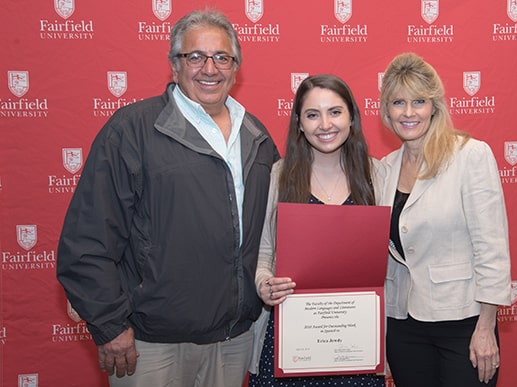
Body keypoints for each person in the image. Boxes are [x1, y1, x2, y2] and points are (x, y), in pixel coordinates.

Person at [56, 9, 279, 387]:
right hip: (150, 343)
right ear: (174, 64)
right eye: (195, 56)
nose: (210, 68)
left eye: (222, 57)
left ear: (236, 67)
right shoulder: (131, 130)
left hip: (234, 338)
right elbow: (87, 239)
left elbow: (276, 234)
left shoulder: (256, 137)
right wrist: (110, 325)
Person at [378, 52, 511, 386]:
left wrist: (486, 327)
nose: (408, 113)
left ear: (434, 106)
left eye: (419, 101)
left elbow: (491, 247)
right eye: (398, 102)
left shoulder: (470, 155)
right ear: (386, 110)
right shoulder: (383, 169)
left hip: (463, 325)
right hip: (403, 326)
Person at [248, 74, 386, 387]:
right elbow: (265, 253)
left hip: (357, 348)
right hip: (290, 342)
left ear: (352, 117)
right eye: (312, 115)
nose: (325, 124)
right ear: (299, 123)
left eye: (335, 112)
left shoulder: (376, 175)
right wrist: (263, 285)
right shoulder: (280, 175)